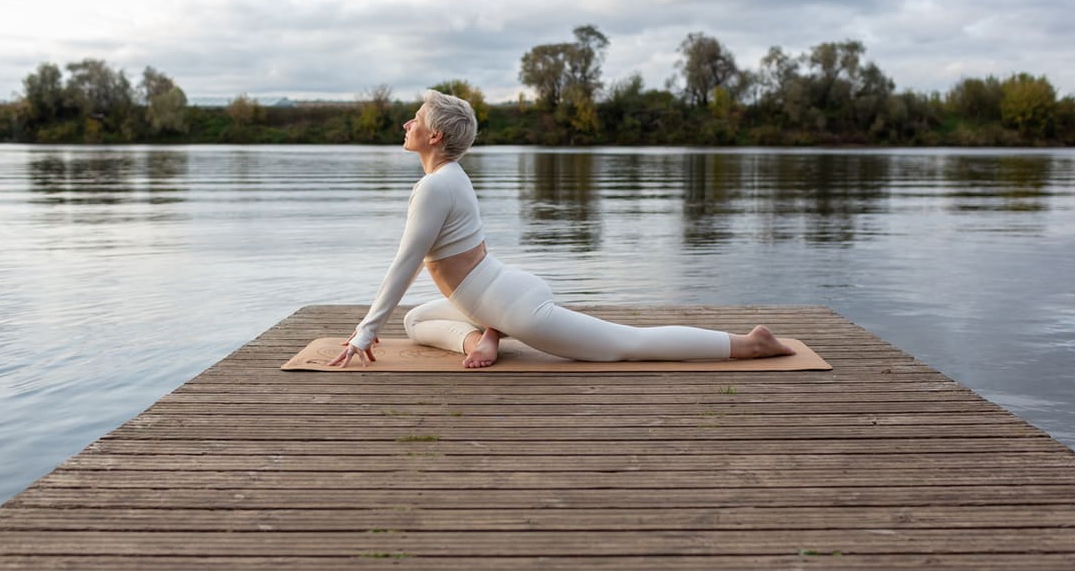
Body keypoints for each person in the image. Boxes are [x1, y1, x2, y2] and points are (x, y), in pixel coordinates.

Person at [331, 89, 795, 369]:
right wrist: (373, 327)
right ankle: (483, 336)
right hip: (493, 293)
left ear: (434, 136)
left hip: (516, 306)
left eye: (416, 119)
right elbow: (420, 263)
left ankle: (750, 344)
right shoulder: (449, 177)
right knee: (416, 321)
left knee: (626, 344)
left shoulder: (437, 185)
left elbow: (406, 264)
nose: (407, 123)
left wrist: (365, 333)